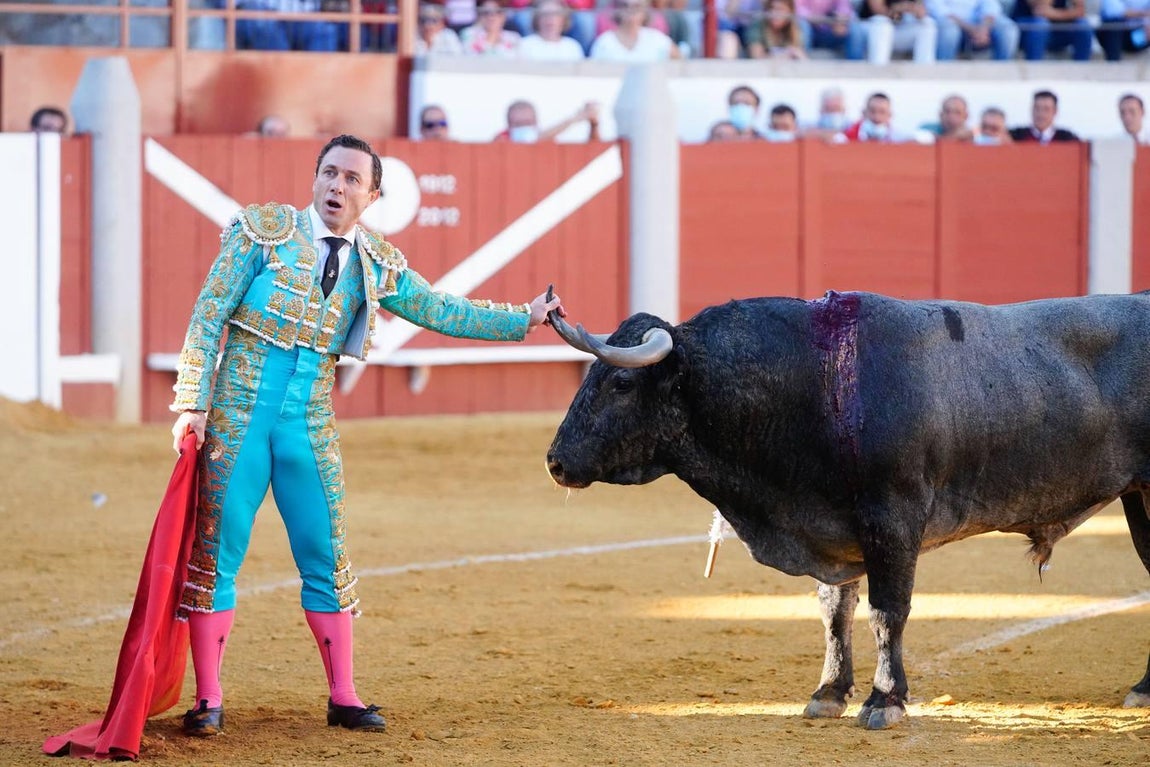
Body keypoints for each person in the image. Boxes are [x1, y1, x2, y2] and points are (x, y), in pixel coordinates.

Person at [168, 134, 564, 737]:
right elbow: (208, 314)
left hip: (308, 426)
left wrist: (523, 318)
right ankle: (209, 699)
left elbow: (439, 309)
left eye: (352, 179)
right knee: (216, 553)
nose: (337, 186)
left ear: (372, 196)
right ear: (315, 178)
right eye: (329, 173)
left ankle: (345, 696)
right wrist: (192, 402)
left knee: (326, 554)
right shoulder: (263, 231)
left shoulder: (376, 262)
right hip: (236, 417)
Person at [589, 0, 680, 60]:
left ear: (644, 11)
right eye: (625, 6)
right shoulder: (604, 42)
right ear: (617, 9)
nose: (631, 10)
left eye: (636, 6)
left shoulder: (657, 39)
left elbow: (679, 61)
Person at [927, 0, 1019, 59]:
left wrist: (984, 28)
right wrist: (971, 29)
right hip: (950, 23)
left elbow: (990, 6)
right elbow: (938, 10)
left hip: (980, 23)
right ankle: (944, 74)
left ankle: (1001, 73)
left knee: (1008, 28)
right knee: (949, 31)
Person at [858, 0, 937, 64]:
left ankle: (924, 70)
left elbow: (922, 12)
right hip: (871, 27)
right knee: (883, 25)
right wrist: (898, 9)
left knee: (927, 24)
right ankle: (878, 71)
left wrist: (915, 10)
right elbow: (877, 9)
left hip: (899, 30)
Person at [1012, 0, 1092, 61]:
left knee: (1083, 26)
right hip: (1026, 27)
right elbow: (1041, 9)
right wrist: (1067, 14)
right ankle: (1034, 70)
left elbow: (1080, 11)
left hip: (1057, 29)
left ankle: (1082, 70)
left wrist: (1054, 14)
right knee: (1041, 25)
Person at [494, 100, 600, 142]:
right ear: (509, 125)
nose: (524, 127)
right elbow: (534, 140)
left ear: (536, 122)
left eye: (528, 123)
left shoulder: (548, 140)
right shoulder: (501, 139)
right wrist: (575, 118)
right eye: (518, 124)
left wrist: (593, 125)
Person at [795, 0, 866, 59]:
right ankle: (804, 60)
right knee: (803, 24)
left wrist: (841, 22)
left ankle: (855, 65)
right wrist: (819, 20)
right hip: (811, 31)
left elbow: (845, 8)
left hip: (832, 31)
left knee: (854, 27)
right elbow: (797, 10)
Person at [518, 0, 587, 60]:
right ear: (537, 19)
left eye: (555, 14)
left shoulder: (572, 46)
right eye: (545, 15)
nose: (550, 19)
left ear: (563, 19)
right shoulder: (525, 45)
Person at [1008, 89, 1079, 143]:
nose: (1040, 114)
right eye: (1037, 108)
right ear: (1031, 109)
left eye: (1046, 109)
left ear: (1055, 112)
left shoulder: (1067, 139)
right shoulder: (1016, 136)